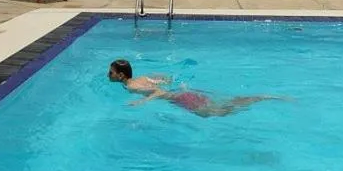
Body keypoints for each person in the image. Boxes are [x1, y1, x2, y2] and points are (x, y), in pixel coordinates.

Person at [108, 59, 287, 118]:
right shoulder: (141, 77)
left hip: (181, 99)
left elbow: (159, 92)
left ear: (121, 76)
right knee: (224, 106)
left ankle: (262, 98)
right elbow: (164, 79)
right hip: (184, 93)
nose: (108, 76)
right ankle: (261, 97)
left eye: (111, 73)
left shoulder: (132, 86)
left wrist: (141, 101)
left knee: (218, 112)